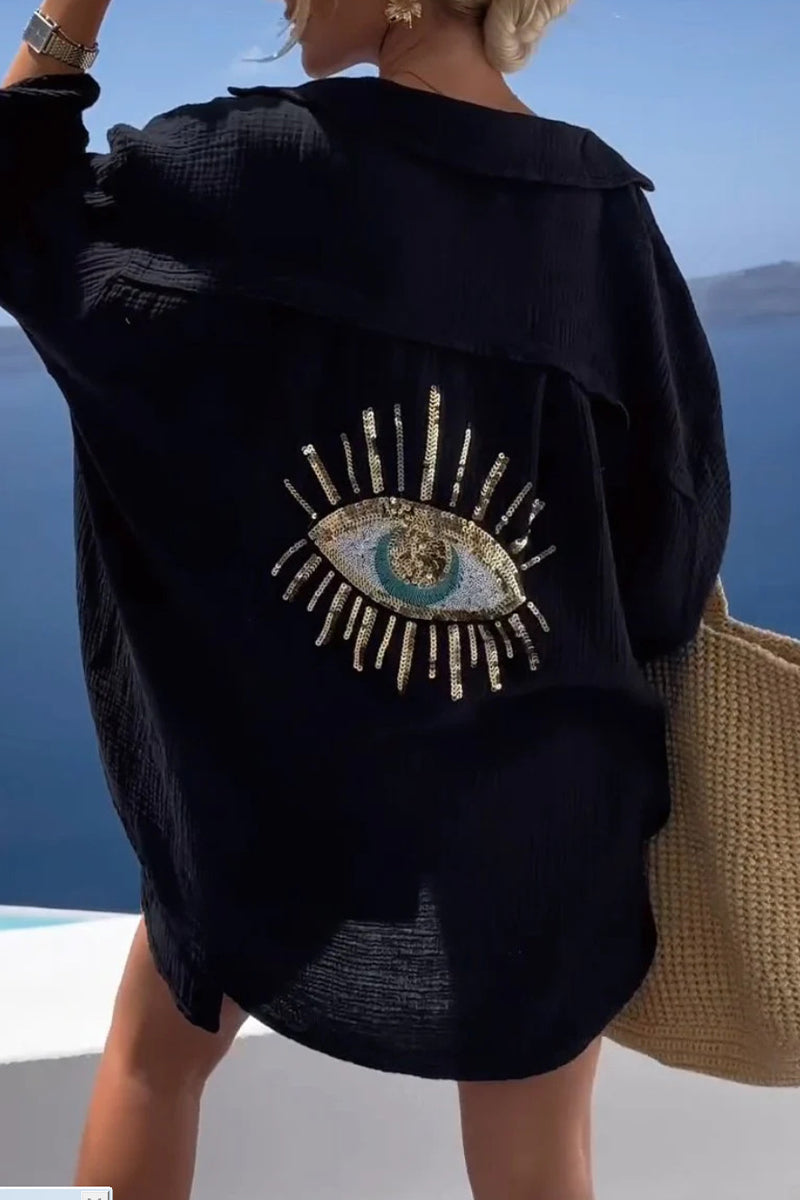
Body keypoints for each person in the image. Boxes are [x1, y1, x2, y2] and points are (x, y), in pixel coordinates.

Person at [0, 0, 731, 1194]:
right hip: (538, 804)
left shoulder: (248, 171)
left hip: (272, 783)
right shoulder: (598, 213)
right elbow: (669, 547)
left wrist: (72, 12)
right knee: (537, 1170)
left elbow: (16, 205)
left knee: (151, 1068)